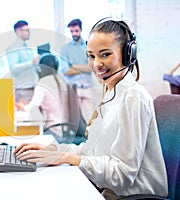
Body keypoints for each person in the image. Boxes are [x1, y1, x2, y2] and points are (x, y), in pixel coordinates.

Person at [14, 19, 168, 199]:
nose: (96, 64)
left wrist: (68, 159)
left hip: (133, 196)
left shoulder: (133, 98)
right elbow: (90, 152)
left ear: (128, 55)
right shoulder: (111, 92)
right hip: (110, 191)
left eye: (105, 54)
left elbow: (123, 174)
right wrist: (53, 150)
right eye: (91, 56)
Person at [16, 54, 69, 138]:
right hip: (67, 129)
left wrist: (22, 106)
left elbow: (32, 107)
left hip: (52, 131)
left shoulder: (43, 82)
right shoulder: (63, 80)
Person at [59, 18, 94, 122]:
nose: (74, 34)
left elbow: (92, 67)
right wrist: (84, 67)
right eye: (71, 31)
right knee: (74, 121)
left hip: (88, 88)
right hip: (73, 89)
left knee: (89, 120)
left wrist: (74, 66)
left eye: (76, 31)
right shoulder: (65, 49)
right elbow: (66, 71)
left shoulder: (89, 47)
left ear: (81, 30)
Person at [6, 20, 40, 102]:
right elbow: (14, 68)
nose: (29, 33)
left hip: (33, 88)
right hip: (23, 90)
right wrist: (31, 62)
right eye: (27, 30)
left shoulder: (27, 48)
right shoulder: (13, 48)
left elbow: (32, 66)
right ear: (18, 31)